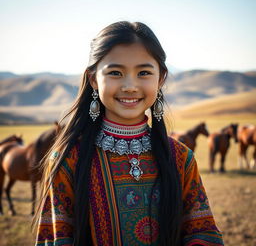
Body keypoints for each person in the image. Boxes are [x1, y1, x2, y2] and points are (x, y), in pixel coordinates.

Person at [34, 21, 224, 246]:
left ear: (161, 78)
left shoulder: (181, 159)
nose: (130, 86)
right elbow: (56, 240)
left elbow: (203, 234)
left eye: (144, 72)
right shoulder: (69, 160)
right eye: (115, 72)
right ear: (94, 79)